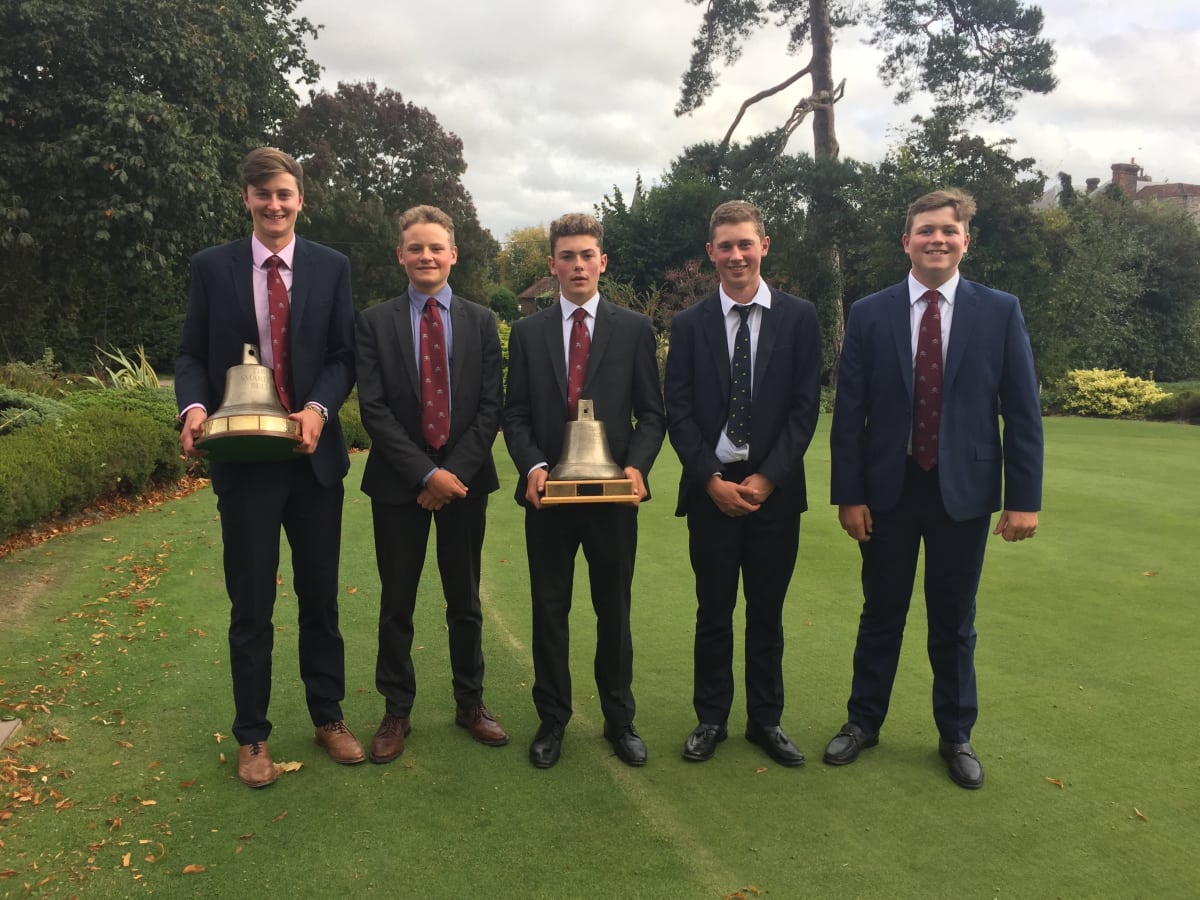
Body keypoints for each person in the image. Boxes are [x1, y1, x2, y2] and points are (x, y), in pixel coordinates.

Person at [823, 188, 1043, 789]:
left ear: (965, 240)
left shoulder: (999, 311)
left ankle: (956, 734)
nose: (936, 239)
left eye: (948, 230)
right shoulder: (870, 313)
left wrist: (1024, 499)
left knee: (953, 621)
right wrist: (849, 494)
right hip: (887, 492)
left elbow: (1022, 413)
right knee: (881, 614)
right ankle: (863, 722)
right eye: (925, 230)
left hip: (963, 494)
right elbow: (849, 413)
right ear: (907, 241)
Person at [176, 147, 364, 788]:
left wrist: (318, 409)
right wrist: (193, 409)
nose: (274, 204)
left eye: (284, 194)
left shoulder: (331, 266)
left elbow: (343, 355)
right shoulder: (212, 267)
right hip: (244, 461)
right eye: (263, 194)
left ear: (300, 199)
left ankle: (328, 716)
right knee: (251, 604)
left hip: (313, 463)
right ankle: (252, 736)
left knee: (320, 600)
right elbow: (190, 354)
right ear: (247, 199)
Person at [502, 213, 665, 769]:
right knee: (550, 610)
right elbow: (515, 415)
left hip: (612, 501)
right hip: (548, 499)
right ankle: (553, 719)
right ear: (552, 265)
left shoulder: (634, 329)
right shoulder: (528, 333)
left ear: (603, 261)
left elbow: (652, 414)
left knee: (613, 611)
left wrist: (637, 467)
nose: (578, 265)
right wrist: (533, 466)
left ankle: (620, 719)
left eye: (587, 255)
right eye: (567, 256)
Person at [664, 200, 822, 767]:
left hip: (774, 491)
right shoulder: (689, 324)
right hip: (712, 490)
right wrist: (710, 478)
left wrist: (768, 478)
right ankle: (711, 718)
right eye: (725, 245)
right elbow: (678, 410)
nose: (736, 255)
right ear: (711, 252)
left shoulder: (799, 317)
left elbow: (805, 408)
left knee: (766, 613)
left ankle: (765, 720)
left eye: (745, 244)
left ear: (764, 246)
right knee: (713, 612)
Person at [355, 205, 507, 763]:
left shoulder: (481, 321)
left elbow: (490, 406)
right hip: (399, 485)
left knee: (464, 599)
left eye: (436, 247)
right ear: (401, 255)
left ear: (453, 254)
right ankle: (396, 710)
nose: (426, 256)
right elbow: (373, 408)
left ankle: (471, 703)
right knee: (397, 603)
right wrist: (425, 473)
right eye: (416, 248)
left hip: (465, 483)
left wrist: (451, 474)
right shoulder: (374, 322)